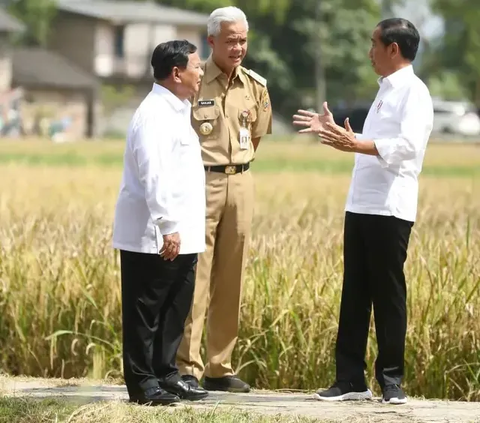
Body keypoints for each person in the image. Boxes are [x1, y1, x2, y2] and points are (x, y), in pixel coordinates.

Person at [293, 18, 433, 405]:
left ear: (393, 49)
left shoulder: (414, 93)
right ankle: (350, 378)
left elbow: (407, 145)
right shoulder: (385, 92)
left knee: (388, 294)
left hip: (390, 207)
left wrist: (354, 142)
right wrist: (337, 132)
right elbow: (364, 141)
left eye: (374, 44)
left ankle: (391, 380)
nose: (369, 51)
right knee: (354, 292)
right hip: (361, 204)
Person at [175, 6, 273, 393]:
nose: (238, 48)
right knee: (196, 275)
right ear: (211, 40)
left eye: (243, 40)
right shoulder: (195, 82)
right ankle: (187, 366)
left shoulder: (255, 86)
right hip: (202, 182)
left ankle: (219, 367)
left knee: (231, 277)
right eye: (230, 40)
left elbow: (259, 135)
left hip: (241, 183)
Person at [112, 40, 209, 406]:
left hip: (183, 233)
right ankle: (142, 383)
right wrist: (168, 224)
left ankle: (166, 374)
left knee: (173, 309)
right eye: (197, 67)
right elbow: (154, 174)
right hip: (154, 234)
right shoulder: (154, 113)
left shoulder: (178, 109)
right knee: (145, 312)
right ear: (176, 73)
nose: (201, 72)